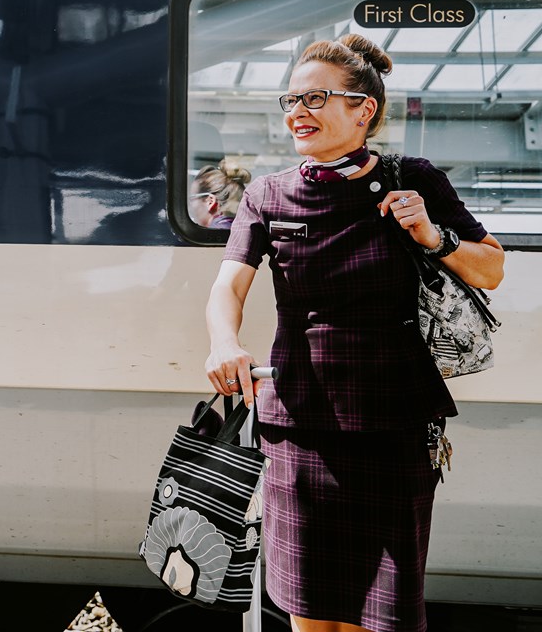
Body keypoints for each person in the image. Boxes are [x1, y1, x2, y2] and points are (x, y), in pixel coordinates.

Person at [203, 34, 504, 632]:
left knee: (384, 612)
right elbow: (228, 285)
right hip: (298, 422)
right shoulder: (268, 193)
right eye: (291, 98)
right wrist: (223, 342)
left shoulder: (412, 177)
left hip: (393, 419)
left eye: (315, 98)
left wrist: (431, 237)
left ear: (363, 110)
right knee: (308, 606)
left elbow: (491, 268)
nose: (296, 112)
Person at [188, 161, 251, 229]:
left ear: (210, 201)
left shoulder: (213, 233)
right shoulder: (240, 227)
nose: (190, 205)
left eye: (192, 198)